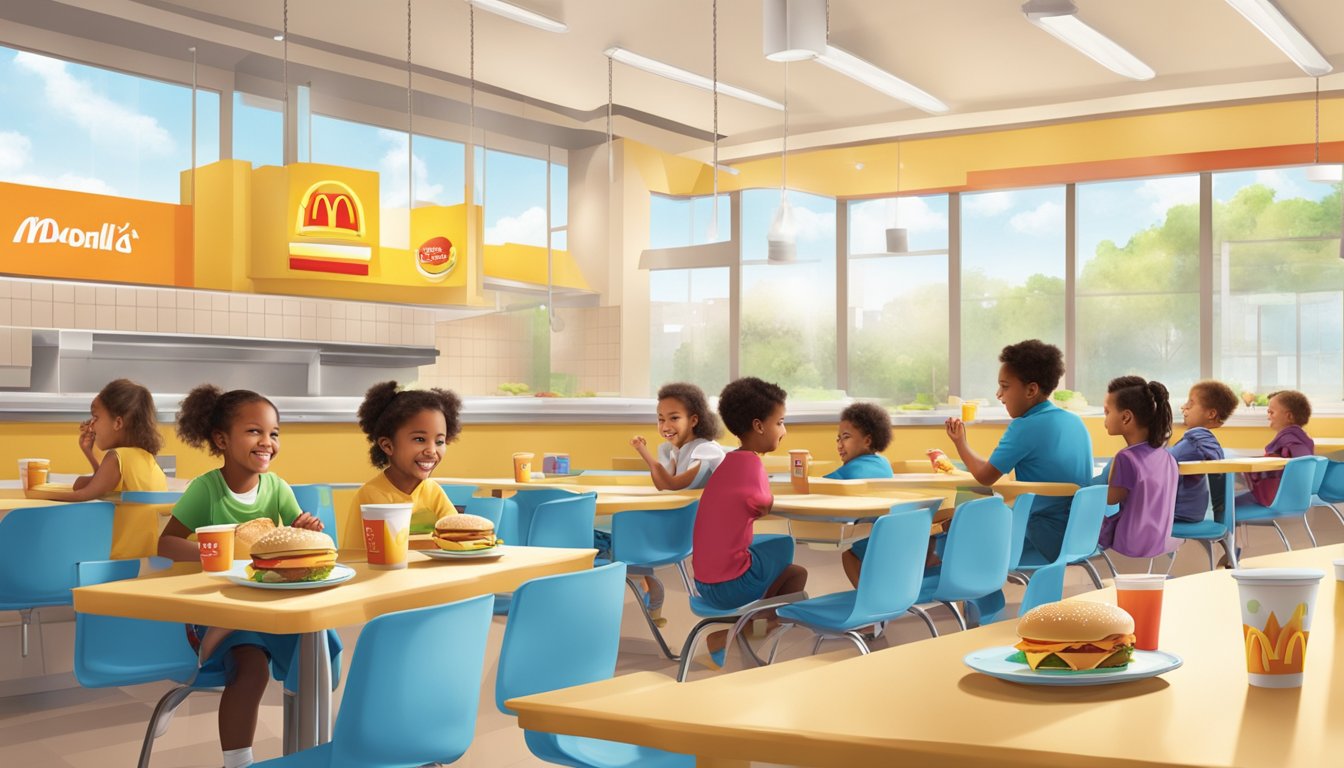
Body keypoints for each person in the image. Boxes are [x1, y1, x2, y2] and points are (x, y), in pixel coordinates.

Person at [157, 385, 325, 768]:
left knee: (316, 644)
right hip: (217, 601)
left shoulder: (278, 487)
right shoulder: (206, 489)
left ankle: (312, 750)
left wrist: (307, 528)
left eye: (274, 433)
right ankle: (237, 762)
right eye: (255, 432)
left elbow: (293, 543)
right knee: (252, 669)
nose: (267, 442)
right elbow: (166, 544)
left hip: (265, 602)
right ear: (221, 439)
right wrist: (216, 553)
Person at [691, 377, 807, 668]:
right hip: (733, 585)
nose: (784, 430)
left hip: (704, 583)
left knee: (792, 573)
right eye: (779, 422)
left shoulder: (729, 462)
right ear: (759, 426)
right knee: (785, 548)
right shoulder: (752, 463)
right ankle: (738, 634)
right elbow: (762, 504)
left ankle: (737, 634)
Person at [944, 340, 1093, 563]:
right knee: (968, 512)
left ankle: (972, 590)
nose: (998, 394)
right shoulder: (1075, 422)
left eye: (1005, 386)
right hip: (1079, 534)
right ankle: (979, 593)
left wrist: (960, 443)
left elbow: (985, 476)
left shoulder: (1025, 426)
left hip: (1041, 535)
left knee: (953, 522)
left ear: (1031, 390)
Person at [626, 382, 725, 624]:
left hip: (698, 531)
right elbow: (661, 483)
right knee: (614, 534)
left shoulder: (706, 450)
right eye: (660, 419)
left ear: (693, 420)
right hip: (681, 523)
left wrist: (644, 452)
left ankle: (643, 581)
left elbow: (672, 484)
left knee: (619, 535)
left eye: (673, 418)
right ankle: (644, 580)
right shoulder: (677, 451)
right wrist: (646, 453)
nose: (665, 426)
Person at [351, 381, 463, 539]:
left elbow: (457, 534)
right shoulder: (372, 495)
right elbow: (370, 554)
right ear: (388, 446)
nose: (431, 451)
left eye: (439, 442)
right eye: (419, 439)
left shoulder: (433, 491)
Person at [25, 378, 167, 501]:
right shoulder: (147, 460)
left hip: (122, 534)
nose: (91, 425)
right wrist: (90, 453)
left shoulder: (117, 457)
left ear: (117, 423)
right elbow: (90, 484)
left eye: (96, 417)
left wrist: (37, 494)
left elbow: (83, 495)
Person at [1098, 376, 1178, 558]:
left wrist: (1088, 486)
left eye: (1107, 412)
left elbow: (1110, 499)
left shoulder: (1126, 457)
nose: (1105, 420)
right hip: (1159, 544)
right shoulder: (1166, 457)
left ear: (1126, 417)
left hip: (1129, 546)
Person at [827, 402, 896, 586]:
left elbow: (820, 485)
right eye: (838, 439)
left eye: (846, 438)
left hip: (871, 542)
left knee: (848, 554)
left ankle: (864, 599)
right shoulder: (883, 463)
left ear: (867, 440)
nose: (840, 445)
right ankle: (869, 598)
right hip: (893, 539)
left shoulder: (852, 470)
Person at [1169, 380, 1238, 523]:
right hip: (1191, 512)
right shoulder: (1205, 442)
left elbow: (1163, 463)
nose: (1184, 408)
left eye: (1191, 403)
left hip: (1177, 514)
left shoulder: (1195, 443)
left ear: (1211, 413)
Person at [1243, 390, 1315, 506]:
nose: (1268, 417)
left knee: (1226, 501)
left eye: (1271, 412)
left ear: (1289, 416)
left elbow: (1269, 469)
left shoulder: (1287, 443)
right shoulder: (1304, 439)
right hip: (1297, 497)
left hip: (1276, 499)